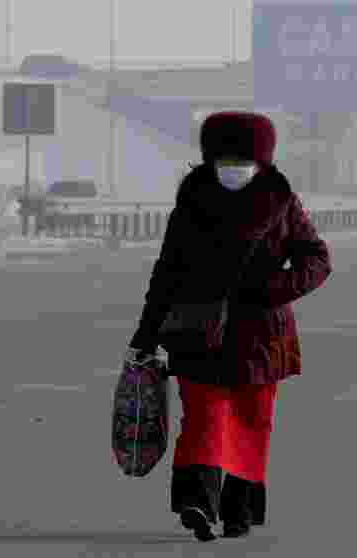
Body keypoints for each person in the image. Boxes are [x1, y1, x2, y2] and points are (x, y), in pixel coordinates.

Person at [128, 111, 332, 542]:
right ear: (209, 157)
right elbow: (166, 273)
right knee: (205, 416)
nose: (233, 168)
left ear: (262, 159)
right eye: (225, 159)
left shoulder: (283, 201)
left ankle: (238, 511)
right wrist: (144, 336)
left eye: (243, 159)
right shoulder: (192, 202)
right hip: (198, 329)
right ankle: (197, 502)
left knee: (252, 420)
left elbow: (317, 259)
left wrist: (275, 287)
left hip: (264, 331)